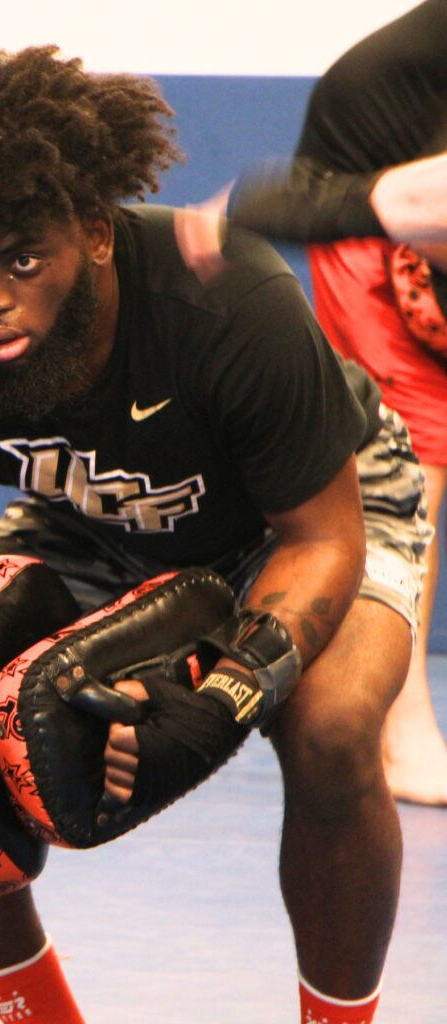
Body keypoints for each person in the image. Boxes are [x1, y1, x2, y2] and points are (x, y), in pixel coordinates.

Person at [0, 47, 430, 1024]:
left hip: (315, 513)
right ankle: (41, 1017)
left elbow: (319, 542)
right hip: (100, 514)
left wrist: (226, 691)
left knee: (326, 726)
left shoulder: (226, 304)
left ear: (95, 236)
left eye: (22, 259)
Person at [196, 0, 447, 807]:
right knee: (418, 468)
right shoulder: (404, 175)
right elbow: (364, 203)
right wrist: (256, 209)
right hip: (374, 213)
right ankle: (398, 734)